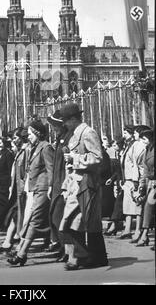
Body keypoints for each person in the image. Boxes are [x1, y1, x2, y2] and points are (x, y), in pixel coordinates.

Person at [57, 103, 108, 271]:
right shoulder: (74, 134)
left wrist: (75, 158)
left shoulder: (88, 133)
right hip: (75, 184)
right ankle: (90, 256)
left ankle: (85, 257)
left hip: (87, 183)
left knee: (80, 221)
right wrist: (66, 186)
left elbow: (97, 158)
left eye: (65, 120)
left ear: (73, 119)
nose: (64, 124)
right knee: (76, 221)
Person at [7, 120, 54, 266]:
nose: (28, 137)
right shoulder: (34, 147)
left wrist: (51, 186)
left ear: (38, 133)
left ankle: (22, 253)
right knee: (31, 219)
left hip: (44, 188)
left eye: (30, 134)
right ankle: (21, 249)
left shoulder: (45, 147)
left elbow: (50, 168)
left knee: (34, 219)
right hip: (35, 188)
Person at [0, 127, 29, 254]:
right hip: (16, 191)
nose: (12, 141)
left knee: (22, 218)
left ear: (21, 138)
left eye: (14, 138)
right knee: (14, 217)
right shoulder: (19, 151)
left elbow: (26, 171)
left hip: (23, 191)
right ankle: (8, 242)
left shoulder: (26, 151)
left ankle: (19, 245)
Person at [46, 110, 72, 261]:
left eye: (55, 125)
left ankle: (68, 250)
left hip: (63, 184)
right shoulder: (60, 138)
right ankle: (63, 248)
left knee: (60, 217)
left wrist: (64, 186)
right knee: (55, 218)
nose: (53, 128)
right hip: (57, 184)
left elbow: (66, 166)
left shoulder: (67, 139)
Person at [119, 125, 147, 241]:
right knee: (128, 204)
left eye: (134, 133)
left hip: (135, 178)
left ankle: (137, 230)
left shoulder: (139, 145)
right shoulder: (130, 145)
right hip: (129, 178)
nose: (124, 135)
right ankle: (128, 229)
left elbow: (137, 164)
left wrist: (136, 181)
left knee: (137, 204)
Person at [135, 128, 154, 247]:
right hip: (149, 183)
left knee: (149, 206)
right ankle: (144, 235)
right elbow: (145, 170)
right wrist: (141, 185)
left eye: (145, 139)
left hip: (155, 182)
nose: (143, 141)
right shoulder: (147, 150)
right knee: (147, 208)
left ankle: (144, 235)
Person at [104, 138, 125, 236]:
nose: (114, 147)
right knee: (118, 203)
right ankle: (115, 225)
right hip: (120, 182)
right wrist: (112, 179)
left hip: (125, 182)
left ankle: (114, 225)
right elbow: (117, 172)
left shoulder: (122, 154)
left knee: (119, 204)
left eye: (115, 145)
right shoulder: (118, 155)